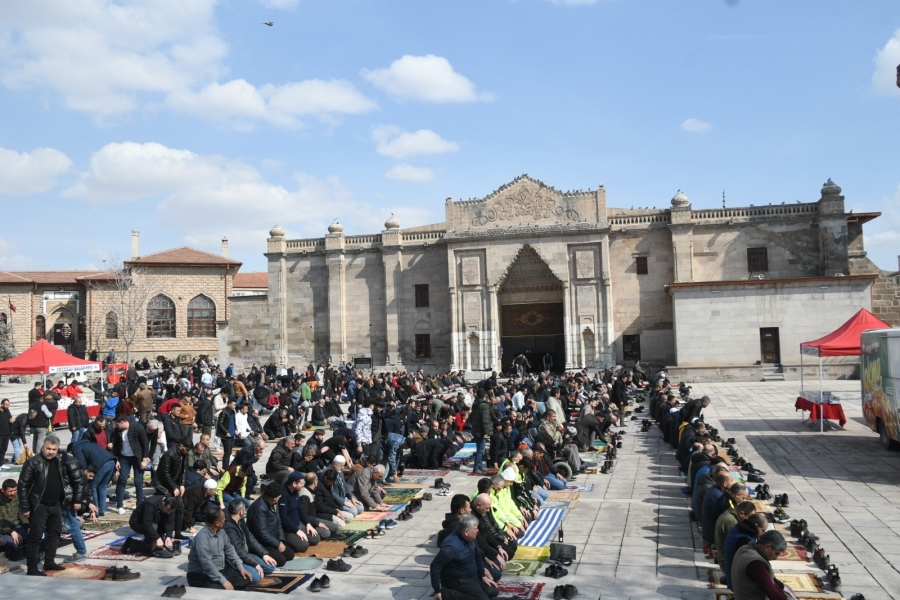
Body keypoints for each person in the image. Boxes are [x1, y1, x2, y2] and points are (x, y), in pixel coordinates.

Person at [18, 435, 81, 575]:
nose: (51, 452)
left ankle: (49, 561)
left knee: (55, 534)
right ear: (43, 447)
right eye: (48, 449)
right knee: (35, 537)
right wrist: (25, 507)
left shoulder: (58, 461)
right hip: (39, 505)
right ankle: (32, 568)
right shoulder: (33, 462)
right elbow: (22, 485)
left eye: (54, 449)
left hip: (56, 504)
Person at [429, 513, 499, 600]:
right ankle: (446, 594)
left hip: (472, 577)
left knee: (493, 591)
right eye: (475, 528)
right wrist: (437, 590)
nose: (477, 531)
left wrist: (483, 576)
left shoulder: (471, 538)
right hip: (458, 580)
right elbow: (435, 566)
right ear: (466, 532)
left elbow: (477, 555)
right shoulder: (451, 547)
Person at [187, 507, 253, 590]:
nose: (225, 520)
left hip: (220, 570)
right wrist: (224, 581)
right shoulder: (202, 538)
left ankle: (225, 585)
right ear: (217, 523)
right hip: (201, 574)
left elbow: (230, 550)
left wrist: (241, 568)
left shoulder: (221, 532)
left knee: (246, 578)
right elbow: (206, 563)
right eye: (223, 518)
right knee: (218, 589)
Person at [223, 498, 277, 585]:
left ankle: (253, 568)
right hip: (236, 559)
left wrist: (263, 554)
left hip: (246, 554)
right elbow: (238, 550)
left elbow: (251, 539)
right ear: (241, 511)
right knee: (256, 578)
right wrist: (255, 564)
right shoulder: (229, 527)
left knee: (271, 566)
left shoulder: (240, 521)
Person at [731, 530, 794, 600]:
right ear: (767, 547)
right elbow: (773, 594)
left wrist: (782, 587)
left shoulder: (745, 548)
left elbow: (769, 580)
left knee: (787, 590)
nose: (776, 558)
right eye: (776, 553)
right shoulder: (756, 563)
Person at [247, 482, 294, 566]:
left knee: (290, 554)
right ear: (274, 498)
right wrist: (277, 544)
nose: (280, 497)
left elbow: (279, 523)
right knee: (281, 560)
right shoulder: (259, 508)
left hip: (273, 539)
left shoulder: (274, 504)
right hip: (262, 543)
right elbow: (262, 533)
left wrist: (281, 540)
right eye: (279, 496)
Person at [112, 415, 150, 515]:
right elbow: (116, 445)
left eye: (117, 424)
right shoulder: (117, 431)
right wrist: (116, 459)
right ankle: (120, 505)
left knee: (138, 482)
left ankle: (139, 505)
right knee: (122, 480)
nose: (116, 426)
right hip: (124, 458)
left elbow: (145, 443)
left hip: (137, 457)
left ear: (122, 422)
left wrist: (144, 459)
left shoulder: (137, 428)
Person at [152, 441, 191, 536]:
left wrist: (182, 484)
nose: (188, 452)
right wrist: (173, 487)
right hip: (162, 485)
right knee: (169, 506)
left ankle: (178, 532)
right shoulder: (169, 454)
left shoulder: (185, 454)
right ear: (181, 446)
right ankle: (162, 530)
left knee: (180, 506)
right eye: (187, 449)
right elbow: (165, 473)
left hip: (174, 484)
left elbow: (184, 471)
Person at [278, 471, 323, 553]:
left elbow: (300, 509)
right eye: (301, 483)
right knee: (303, 545)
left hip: (298, 523)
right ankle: (287, 541)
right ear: (294, 484)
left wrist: (307, 523)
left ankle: (299, 538)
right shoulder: (283, 494)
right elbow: (283, 517)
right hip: (288, 528)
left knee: (315, 539)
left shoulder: (295, 491)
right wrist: (297, 531)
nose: (303, 485)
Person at [724, 513, 769, 590]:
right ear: (756, 525)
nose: (762, 534)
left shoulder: (741, 528)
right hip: (737, 582)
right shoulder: (744, 540)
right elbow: (752, 564)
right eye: (762, 530)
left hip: (733, 574)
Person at [71, 439, 116, 516]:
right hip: (111, 461)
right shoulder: (89, 444)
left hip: (101, 464)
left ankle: (95, 511)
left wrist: (84, 476)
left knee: (93, 487)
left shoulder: (76, 448)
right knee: (102, 487)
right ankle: (101, 510)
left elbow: (82, 463)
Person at [125, 494, 179, 558]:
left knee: (160, 541)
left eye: (170, 511)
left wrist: (168, 537)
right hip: (137, 522)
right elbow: (147, 524)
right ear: (163, 503)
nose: (168, 512)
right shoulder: (151, 503)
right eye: (167, 510)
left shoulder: (170, 506)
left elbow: (170, 522)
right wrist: (157, 538)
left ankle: (151, 546)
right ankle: (131, 543)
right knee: (153, 530)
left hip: (154, 521)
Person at [0, 479, 27, 560]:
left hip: (15, 525)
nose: (13, 493)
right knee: (12, 544)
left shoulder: (16, 497)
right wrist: (11, 532)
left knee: (31, 538)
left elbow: (21, 514)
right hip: (2, 529)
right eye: (10, 491)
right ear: (2, 490)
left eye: (15, 490)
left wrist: (28, 526)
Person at [470, 390, 492, 475]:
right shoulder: (484, 405)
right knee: (480, 450)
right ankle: (476, 468)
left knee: (480, 449)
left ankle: (479, 466)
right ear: (485, 395)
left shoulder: (475, 404)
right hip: (481, 431)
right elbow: (485, 420)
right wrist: (486, 432)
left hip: (476, 429)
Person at [216, 399, 238, 469]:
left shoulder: (233, 412)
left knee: (230, 451)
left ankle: (227, 466)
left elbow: (233, 422)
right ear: (229, 404)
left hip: (232, 434)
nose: (234, 406)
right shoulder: (224, 412)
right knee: (227, 452)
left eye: (235, 405)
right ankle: (225, 467)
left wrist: (236, 429)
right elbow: (220, 423)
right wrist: (226, 432)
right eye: (233, 405)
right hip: (226, 435)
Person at [0, 399, 12, 467]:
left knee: (3, 449)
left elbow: (10, 418)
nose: (8, 406)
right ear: (2, 404)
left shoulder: (7, 411)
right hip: (0, 434)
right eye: (6, 405)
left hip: (7, 433)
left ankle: (1, 464)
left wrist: (12, 420)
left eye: (8, 405)